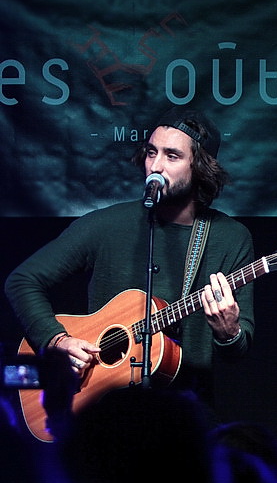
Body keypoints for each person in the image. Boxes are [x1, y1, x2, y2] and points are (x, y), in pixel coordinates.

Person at [4, 106, 255, 436]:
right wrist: (55, 339)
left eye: (172, 156)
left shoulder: (230, 237)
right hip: (103, 417)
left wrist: (228, 329)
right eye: (152, 152)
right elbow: (22, 280)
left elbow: (240, 347)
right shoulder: (106, 225)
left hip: (185, 421)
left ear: (200, 167)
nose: (156, 166)